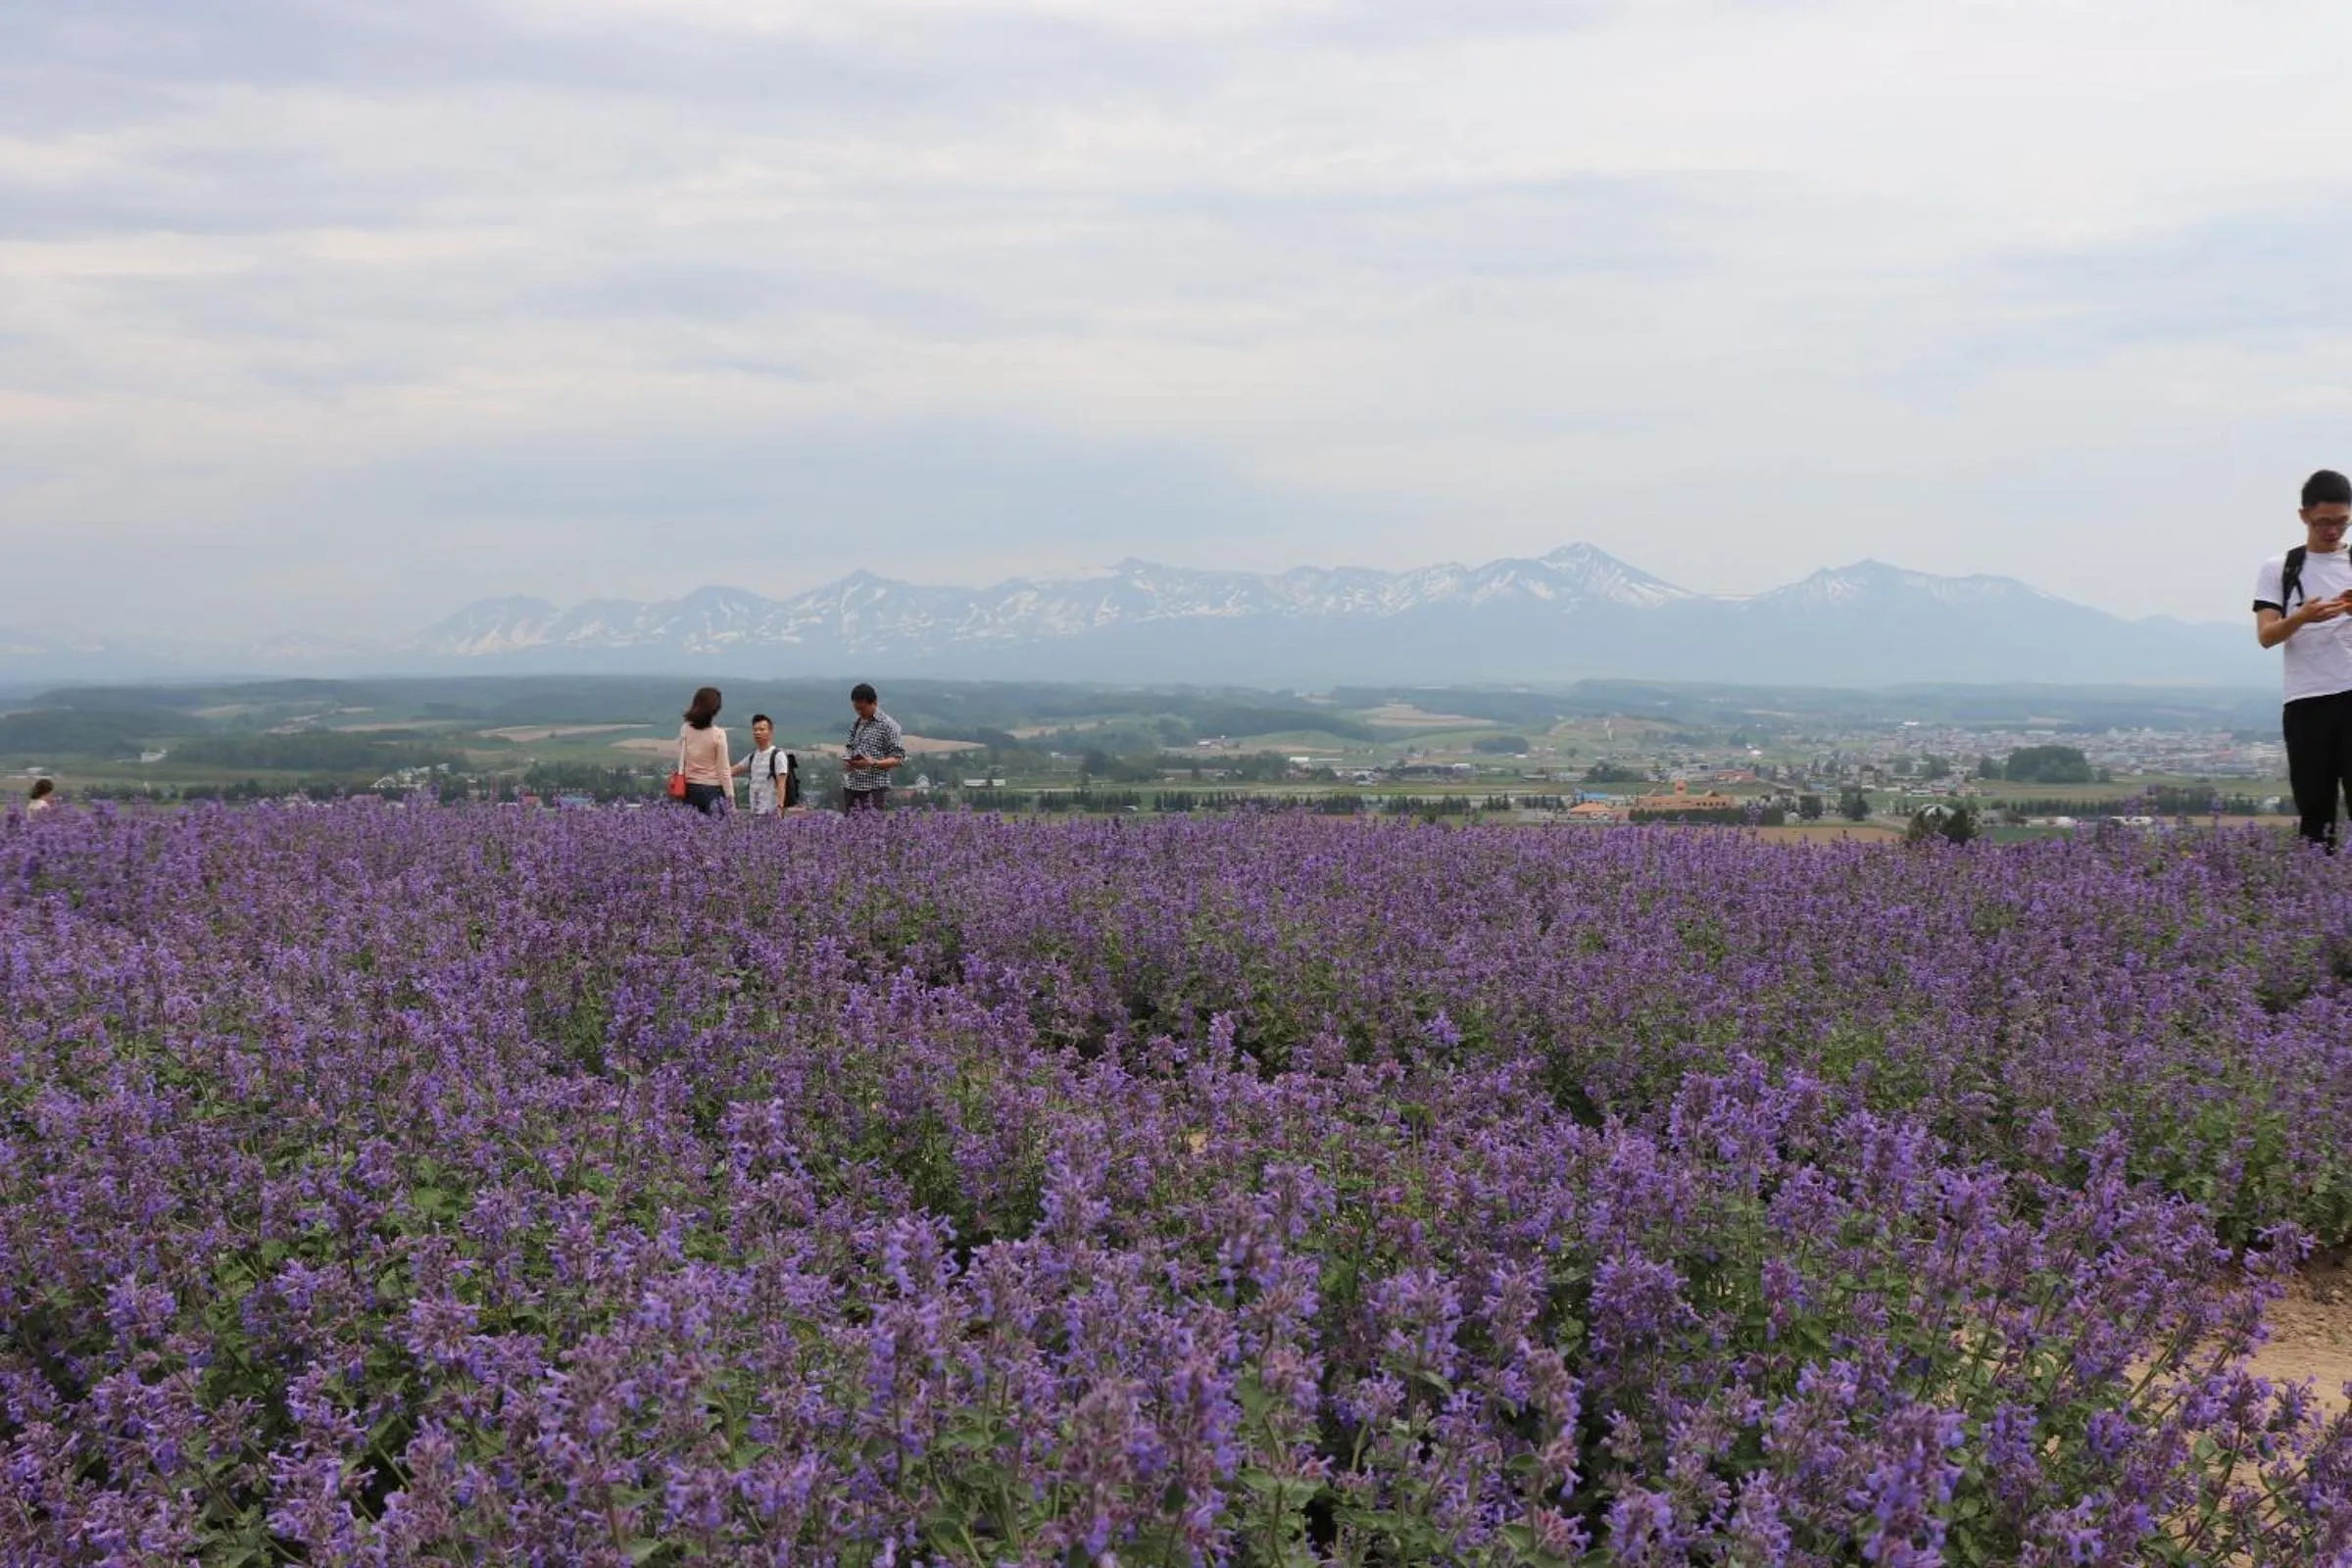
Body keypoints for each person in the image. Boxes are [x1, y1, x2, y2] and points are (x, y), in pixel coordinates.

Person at [2255, 468, 2352, 850]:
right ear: (2304, 516)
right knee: (2315, 813)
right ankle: (2316, 880)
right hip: (2306, 702)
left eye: (2342, 522)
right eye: (2323, 522)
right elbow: (2266, 636)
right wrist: (2302, 617)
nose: (2333, 531)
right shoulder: (2280, 568)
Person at [842, 682, 906, 811]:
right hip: (852, 786)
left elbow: (898, 759)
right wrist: (850, 762)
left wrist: (873, 763)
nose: (859, 712)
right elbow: (850, 748)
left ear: (874, 703)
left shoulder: (889, 726)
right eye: (856, 709)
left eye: (863, 708)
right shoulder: (856, 723)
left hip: (874, 789)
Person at [675, 687, 732, 816]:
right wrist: (730, 799)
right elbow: (724, 770)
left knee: (689, 827)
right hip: (713, 790)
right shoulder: (718, 734)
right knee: (716, 827)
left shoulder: (685, 729)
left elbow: (682, 759)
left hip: (690, 788)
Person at [731, 712, 799, 817]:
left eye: (762, 729)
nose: (757, 732)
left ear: (770, 732)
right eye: (755, 730)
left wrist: (780, 808)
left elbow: (781, 784)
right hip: (755, 811)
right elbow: (734, 770)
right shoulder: (752, 756)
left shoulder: (778, 755)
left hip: (771, 813)